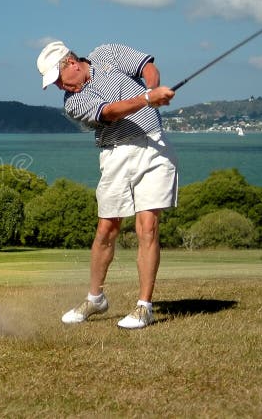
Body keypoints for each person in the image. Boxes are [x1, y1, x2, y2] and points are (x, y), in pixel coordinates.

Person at [36, 41, 178, 329]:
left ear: (71, 64)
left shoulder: (108, 53)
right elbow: (111, 112)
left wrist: (151, 89)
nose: (61, 89)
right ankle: (95, 297)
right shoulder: (73, 103)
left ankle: (144, 307)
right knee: (106, 229)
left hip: (153, 146)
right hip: (115, 154)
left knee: (147, 226)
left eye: (60, 81)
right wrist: (147, 99)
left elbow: (147, 68)